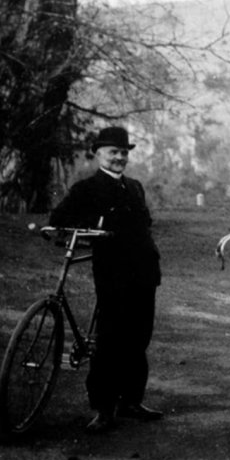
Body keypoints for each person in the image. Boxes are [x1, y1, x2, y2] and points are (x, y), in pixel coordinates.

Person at [49, 126, 163, 433]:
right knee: (109, 339)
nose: (119, 158)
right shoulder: (86, 189)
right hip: (113, 273)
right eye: (113, 152)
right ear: (98, 153)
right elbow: (59, 220)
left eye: (124, 153)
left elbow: (145, 223)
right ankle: (103, 408)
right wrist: (95, 226)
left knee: (139, 337)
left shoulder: (135, 187)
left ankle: (131, 400)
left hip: (144, 271)